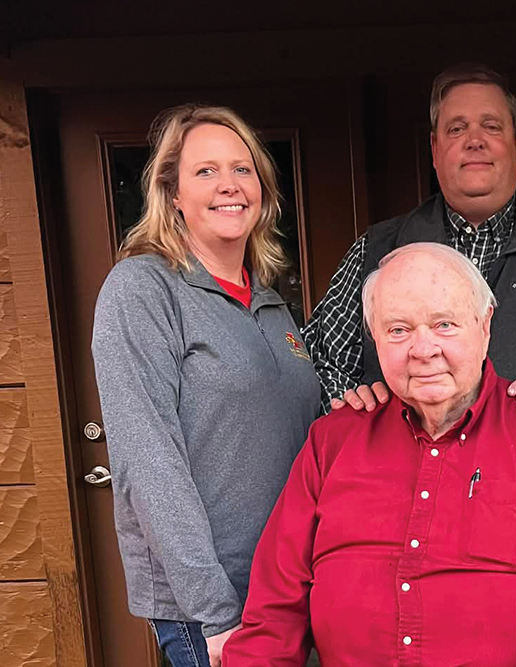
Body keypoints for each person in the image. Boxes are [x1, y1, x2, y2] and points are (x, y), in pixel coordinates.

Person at [224, 243, 516, 666]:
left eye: (444, 325)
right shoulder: (334, 440)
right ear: (375, 338)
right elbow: (271, 620)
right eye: (398, 330)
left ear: (485, 325)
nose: (423, 350)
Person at [302, 63, 516, 450]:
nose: (475, 141)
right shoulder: (377, 249)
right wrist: (351, 408)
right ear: (435, 150)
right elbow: (319, 362)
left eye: (491, 126)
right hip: (402, 492)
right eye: (457, 128)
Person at [91, 105, 322, 667]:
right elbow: (150, 462)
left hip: (290, 584)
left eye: (243, 170)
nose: (229, 186)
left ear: (262, 189)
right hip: (215, 600)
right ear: (171, 192)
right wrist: (214, 611)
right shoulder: (144, 289)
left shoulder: (268, 300)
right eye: (205, 172)